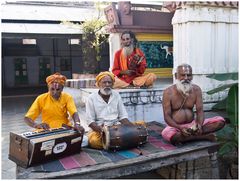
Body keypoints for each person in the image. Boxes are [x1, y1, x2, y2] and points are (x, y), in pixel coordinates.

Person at [162, 63, 225, 145]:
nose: (186, 78)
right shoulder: (168, 92)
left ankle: (188, 137)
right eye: (183, 75)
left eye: (189, 75)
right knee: (169, 135)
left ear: (192, 76)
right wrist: (180, 127)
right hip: (176, 127)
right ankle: (204, 136)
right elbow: (167, 116)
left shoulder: (196, 89)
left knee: (220, 121)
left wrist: (199, 124)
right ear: (176, 76)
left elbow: (200, 111)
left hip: (193, 125)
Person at [86, 71, 145, 149]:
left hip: (116, 127)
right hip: (100, 128)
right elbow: (90, 121)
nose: (107, 85)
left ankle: (117, 142)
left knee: (142, 125)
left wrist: (131, 128)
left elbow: (123, 116)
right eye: (104, 82)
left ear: (112, 84)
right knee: (94, 141)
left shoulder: (116, 95)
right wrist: (103, 131)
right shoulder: (91, 98)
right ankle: (120, 142)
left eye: (109, 82)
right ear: (99, 84)